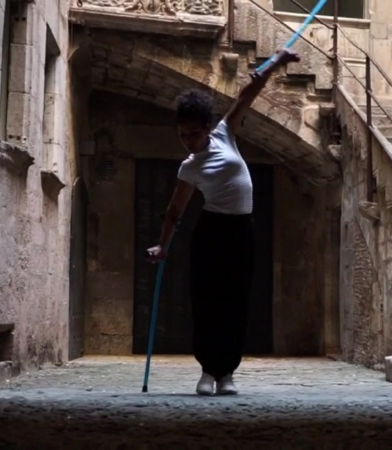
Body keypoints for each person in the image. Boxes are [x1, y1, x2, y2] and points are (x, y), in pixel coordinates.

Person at [145, 49, 301, 396]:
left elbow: (248, 93)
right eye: (182, 134)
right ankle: (206, 371)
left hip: (241, 231)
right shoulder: (189, 167)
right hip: (211, 232)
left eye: (193, 133)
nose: (188, 140)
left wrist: (276, 61)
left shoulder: (224, 134)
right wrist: (162, 245)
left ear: (205, 127)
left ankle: (226, 374)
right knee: (207, 302)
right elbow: (175, 211)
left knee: (237, 301)